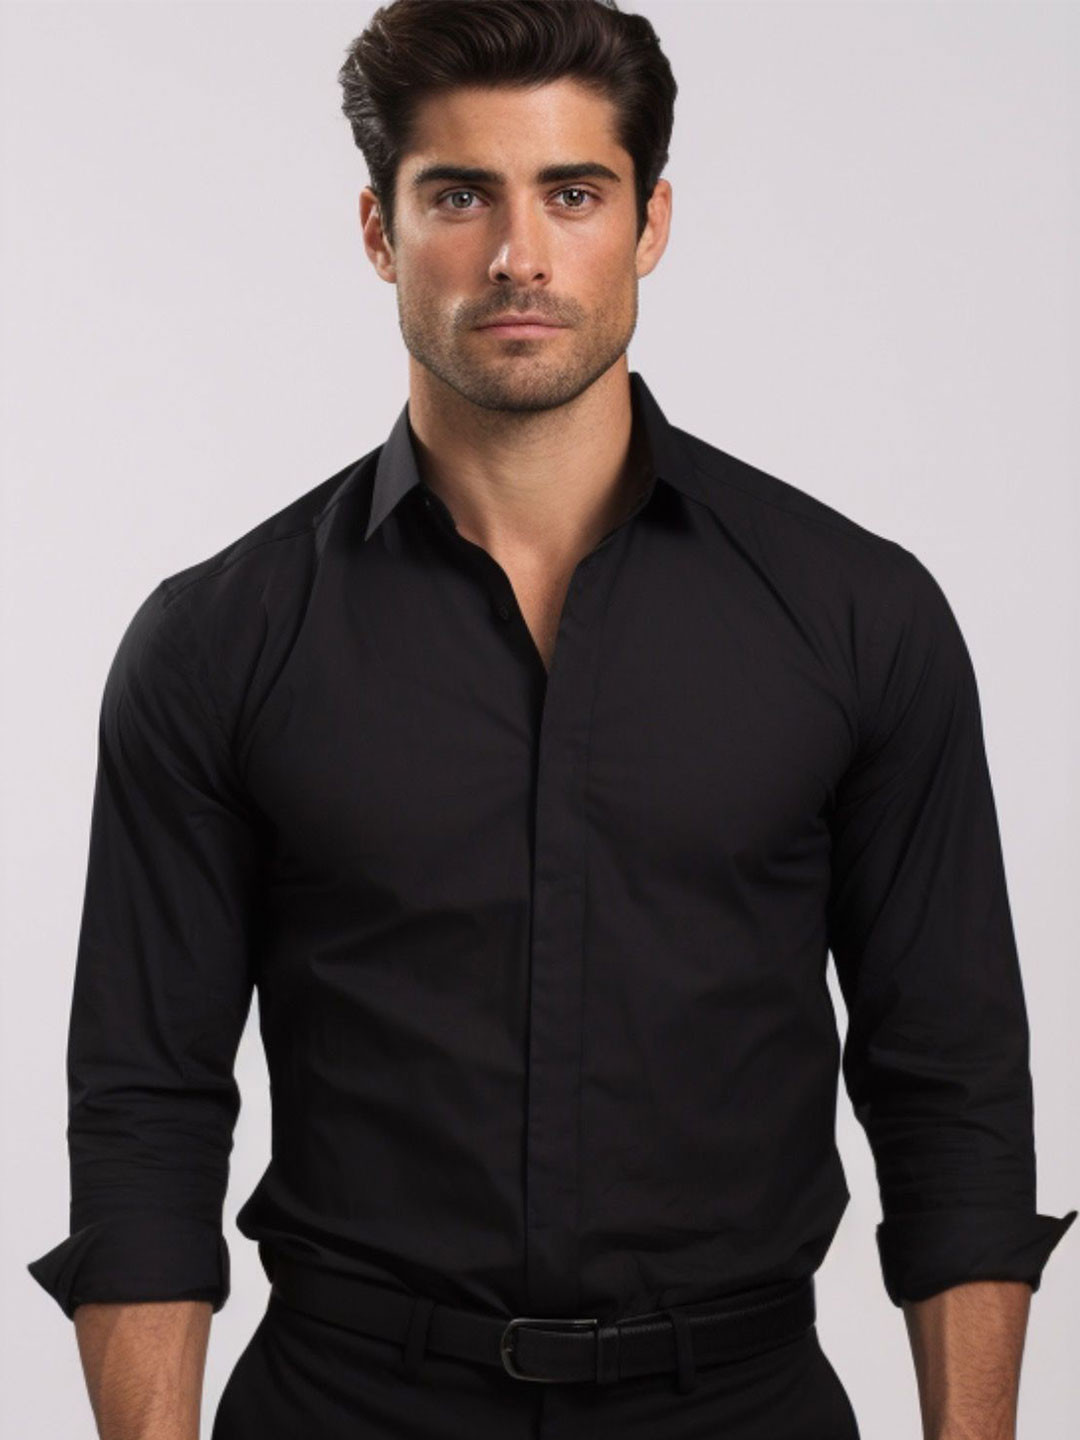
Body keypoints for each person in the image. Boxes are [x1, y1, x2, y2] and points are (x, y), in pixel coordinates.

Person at [27, 2, 1076, 1437]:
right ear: (380, 230)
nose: (518, 254)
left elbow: (950, 1086)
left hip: (740, 1408)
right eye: (460, 195)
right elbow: (145, 1111)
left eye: (572, 194)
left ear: (650, 224)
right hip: (348, 1406)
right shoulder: (218, 643)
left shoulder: (856, 616)